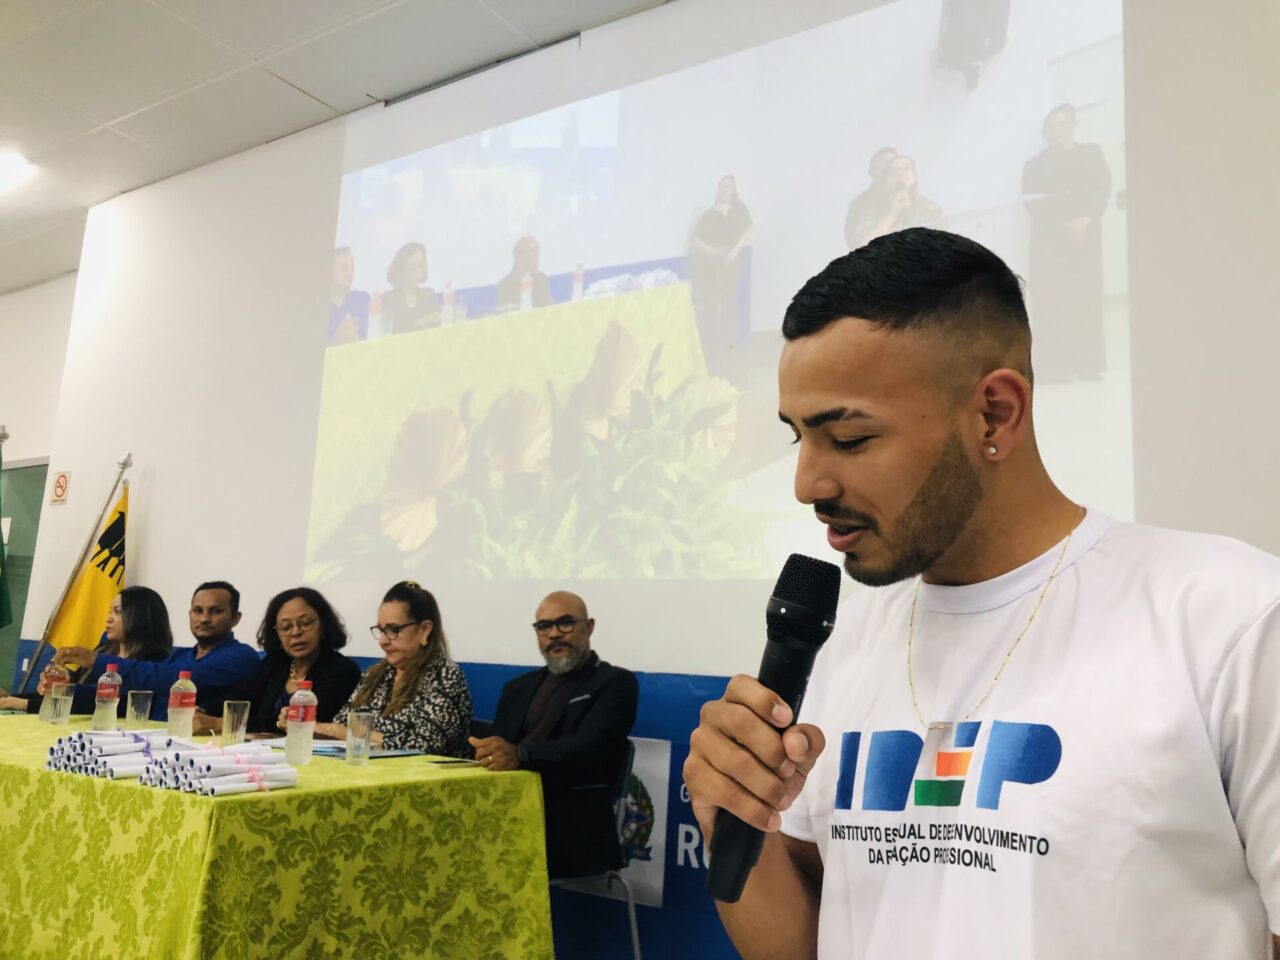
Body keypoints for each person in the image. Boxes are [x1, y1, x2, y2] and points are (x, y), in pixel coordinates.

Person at [682, 228, 1280, 959]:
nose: (809, 484)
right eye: (797, 438)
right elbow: (810, 944)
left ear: (995, 413)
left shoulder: (1230, 615)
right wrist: (730, 813)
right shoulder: (842, 643)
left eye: (848, 438)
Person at [469, 591, 638, 879]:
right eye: (544, 626)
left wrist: (521, 755)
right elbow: (499, 749)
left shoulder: (614, 683)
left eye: (566, 623)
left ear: (589, 627)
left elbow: (592, 747)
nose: (554, 634)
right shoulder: (518, 688)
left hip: (571, 823)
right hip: (506, 811)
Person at [55, 581, 261, 720]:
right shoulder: (176, 655)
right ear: (189, 614)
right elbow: (131, 698)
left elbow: (175, 681)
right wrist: (63, 691)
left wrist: (96, 661)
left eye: (216, 611)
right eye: (198, 611)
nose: (204, 618)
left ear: (235, 618)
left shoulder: (241, 656)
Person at [314, 581, 471, 755]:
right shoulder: (375, 675)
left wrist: (351, 734)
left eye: (393, 630)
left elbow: (425, 745)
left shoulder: (445, 675)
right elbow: (340, 723)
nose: (383, 640)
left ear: (424, 630)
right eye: (381, 630)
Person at [1022, 103, 1112, 382]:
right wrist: (1062, 225)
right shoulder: (1034, 165)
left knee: (1085, 297)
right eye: (1049, 128)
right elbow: (1032, 202)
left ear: (1072, 125)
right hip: (1049, 241)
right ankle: (1054, 367)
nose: (1055, 132)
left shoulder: (1091, 153)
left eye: (1061, 125)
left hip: (1085, 237)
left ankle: (1088, 364)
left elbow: (1101, 187)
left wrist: (1086, 220)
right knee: (1051, 301)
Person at [195, 587, 361, 736]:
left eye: (305, 623)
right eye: (286, 627)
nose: (296, 632)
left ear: (323, 625)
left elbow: (299, 723)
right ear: (277, 633)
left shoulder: (342, 670)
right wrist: (203, 711)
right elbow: (240, 698)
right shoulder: (275, 664)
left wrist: (222, 724)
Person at [0, 586, 174, 714]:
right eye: (109, 611)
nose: (108, 618)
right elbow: (71, 693)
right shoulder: (105, 650)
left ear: (140, 617)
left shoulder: (156, 661)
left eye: (117, 612)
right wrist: (11, 697)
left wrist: (20, 704)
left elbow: (95, 701)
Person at [688, 174, 753, 376]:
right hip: (711, 269)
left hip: (731, 267)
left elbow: (748, 229)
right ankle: (710, 349)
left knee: (728, 305)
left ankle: (730, 346)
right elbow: (695, 240)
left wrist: (734, 251)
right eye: (722, 187)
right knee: (710, 307)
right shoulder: (708, 215)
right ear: (717, 190)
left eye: (729, 187)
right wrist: (714, 251)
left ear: (734, 190)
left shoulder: (740, 209)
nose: (725, 190)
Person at [844, 152, 942, 249]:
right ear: (886, 182)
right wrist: (893, 213)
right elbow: (863, 246)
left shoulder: (930, 208)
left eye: (906, 168)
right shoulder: (873, 210)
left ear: (914, 176)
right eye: (894, 170)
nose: (901, 173)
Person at [843, 145, 898, 250]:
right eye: (884, 164)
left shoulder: (917, 202)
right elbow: (858, 245)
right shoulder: (860, 204)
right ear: (872, 171)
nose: (888, 169)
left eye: (892, 163)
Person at [382, 242, 442, 335]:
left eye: (421, 266)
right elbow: (390, 331)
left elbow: (439, 323)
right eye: (412, 267)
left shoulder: (429, 295)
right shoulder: (388, 299)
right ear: (401, 268)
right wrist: (419, 323)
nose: (417, 272)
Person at [494, 236, 553, 310]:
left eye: (538, 251)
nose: (538, 255)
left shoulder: (541, 279)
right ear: (520, 255)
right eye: (533, 251)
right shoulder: (505, 286)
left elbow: (549, 310)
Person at [328, 247, 371, 345]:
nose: (350, 273)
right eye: (344, 268)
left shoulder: (362, 301)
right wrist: (337, 340)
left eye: (352, 267)